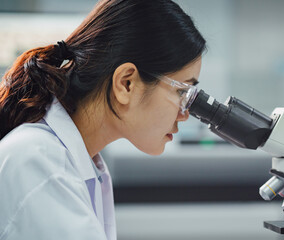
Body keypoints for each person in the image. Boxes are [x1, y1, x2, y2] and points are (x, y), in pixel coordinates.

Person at [0, 0, 206, 239]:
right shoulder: (39, 164)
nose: (185, 114)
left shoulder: (78, 163)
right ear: (126, 83)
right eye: (182, 92)